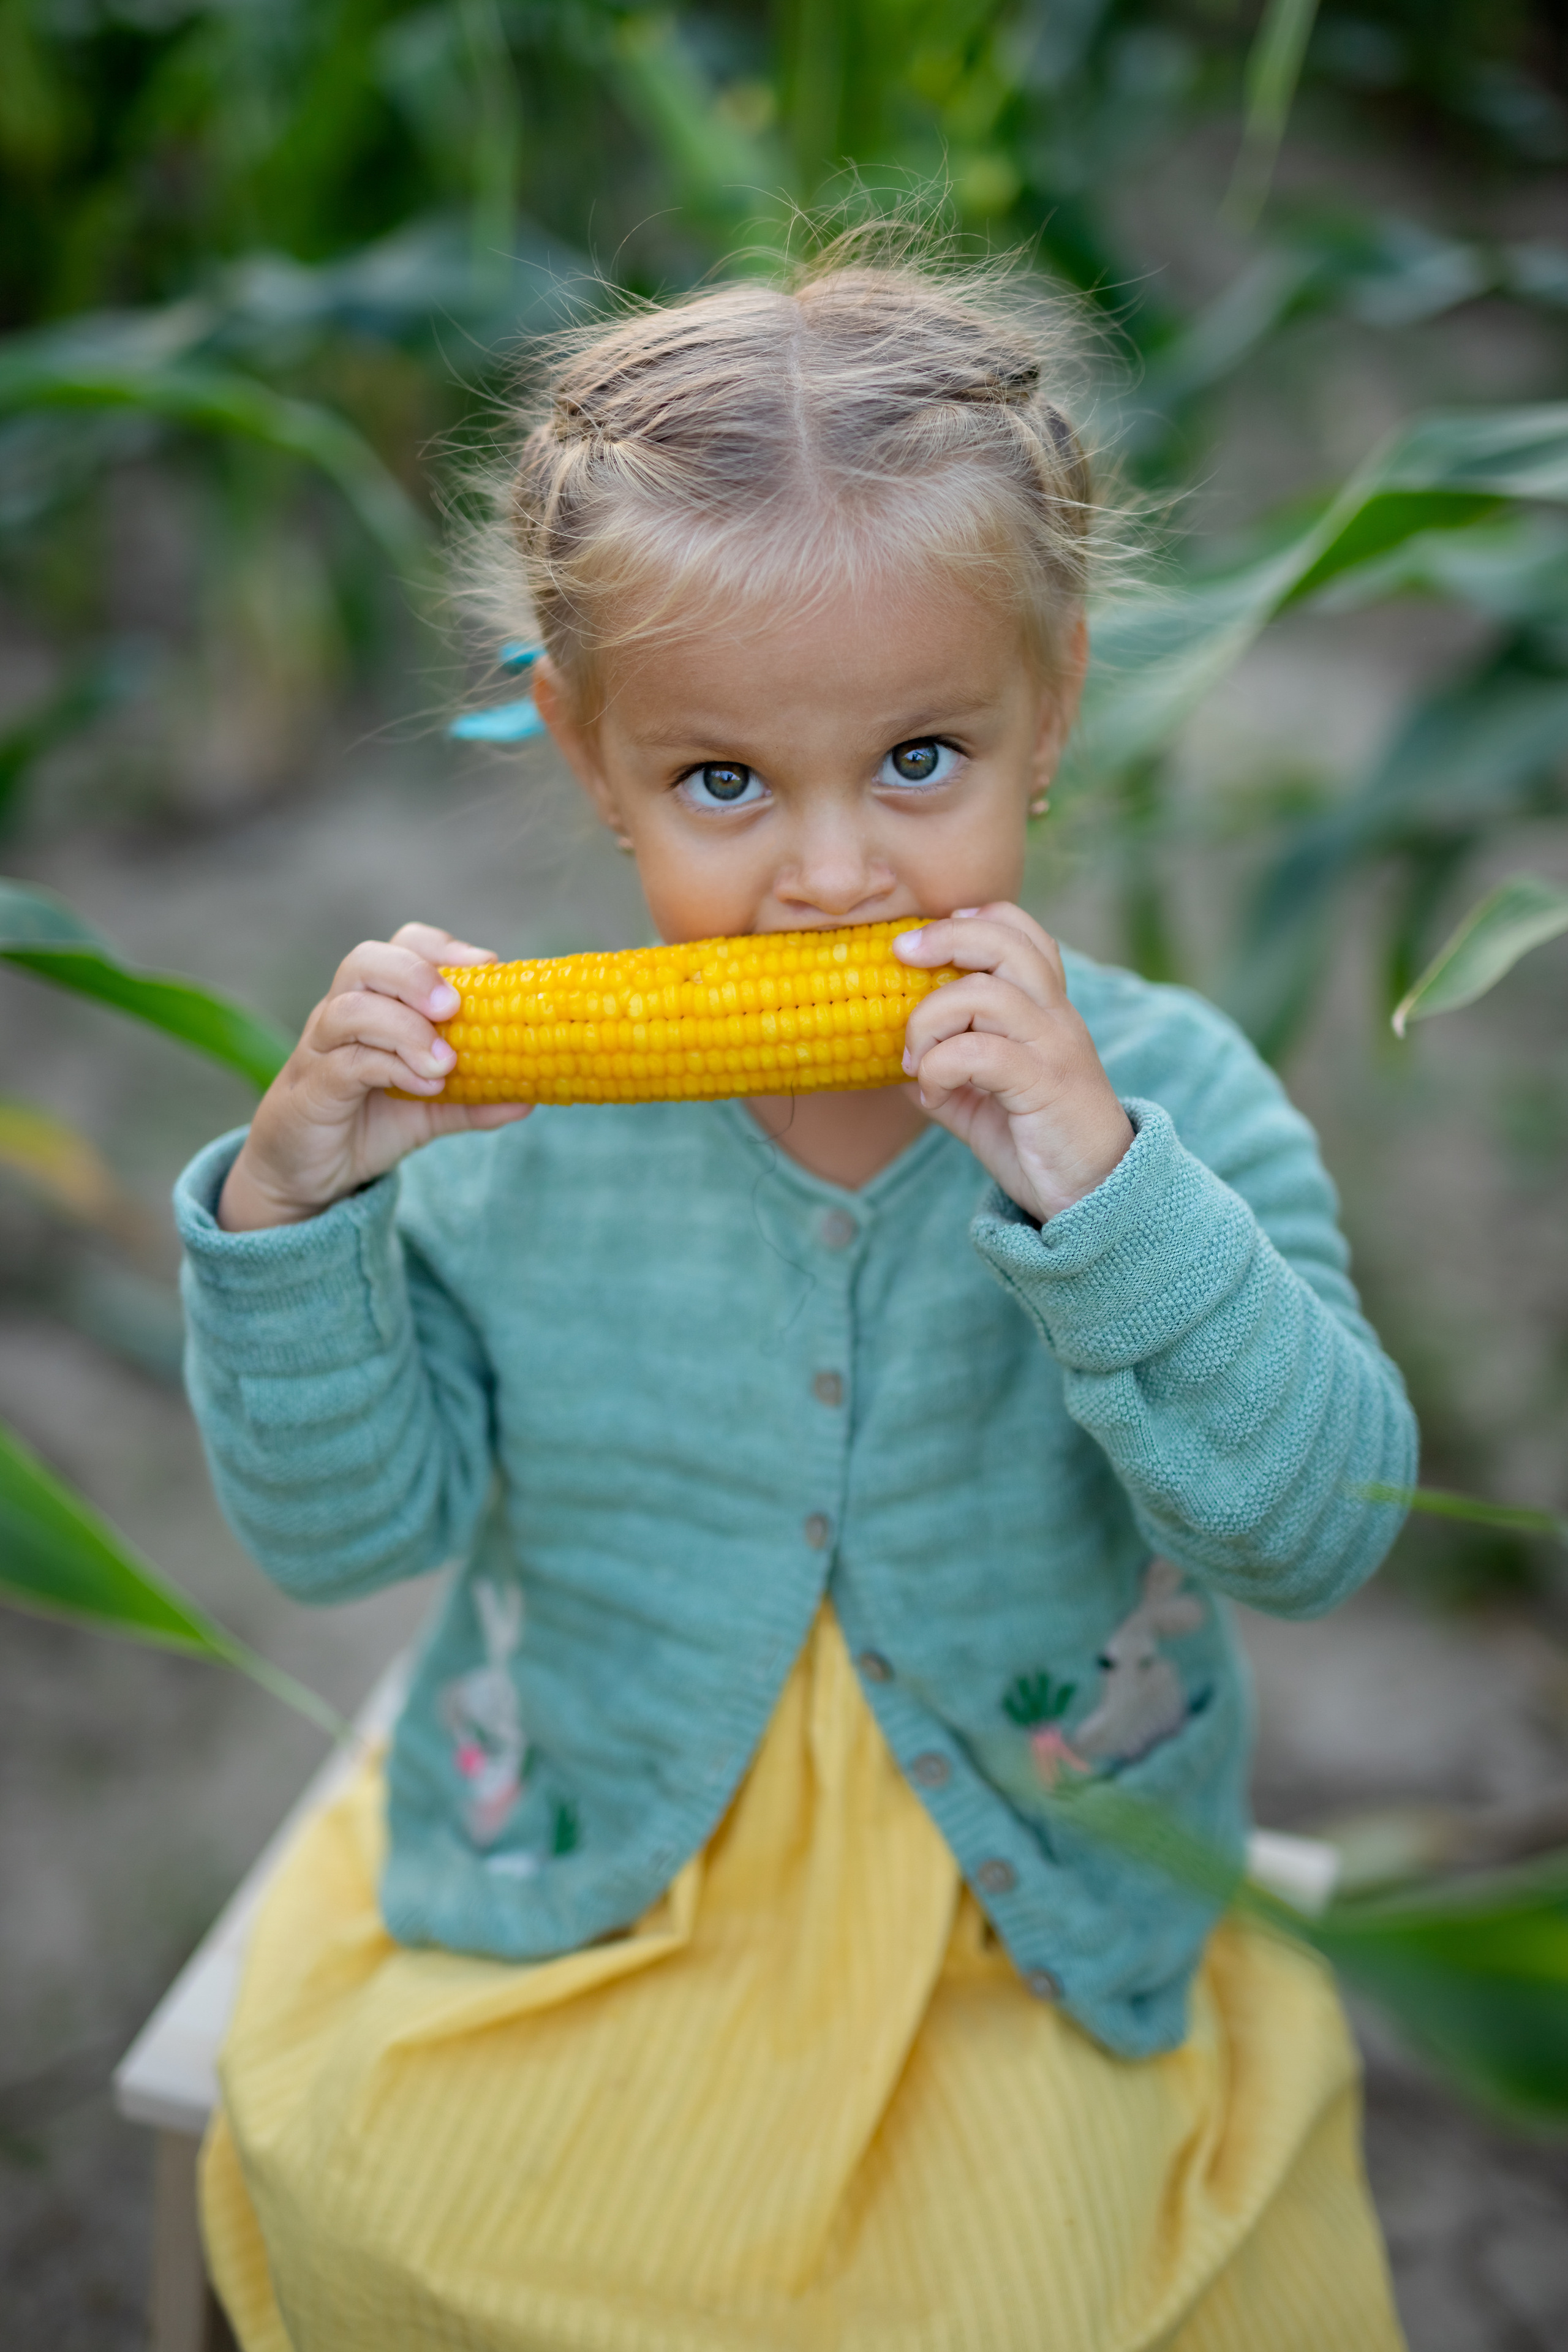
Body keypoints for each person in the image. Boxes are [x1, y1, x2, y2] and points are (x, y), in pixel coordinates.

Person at [176, 246, 1416, 2352]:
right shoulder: (512, 1136)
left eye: (924, 758)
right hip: (602, 1862)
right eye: (726, 784)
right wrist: (298, 1224)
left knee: (1039, 2298)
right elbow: (344, 1533)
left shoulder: (1171, 1099)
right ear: (588, 754)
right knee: (367, 2199)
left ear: (1060, 704)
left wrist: (1099, 1191)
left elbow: (1318, 1530)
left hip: (1007, 1906)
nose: (836, 875)